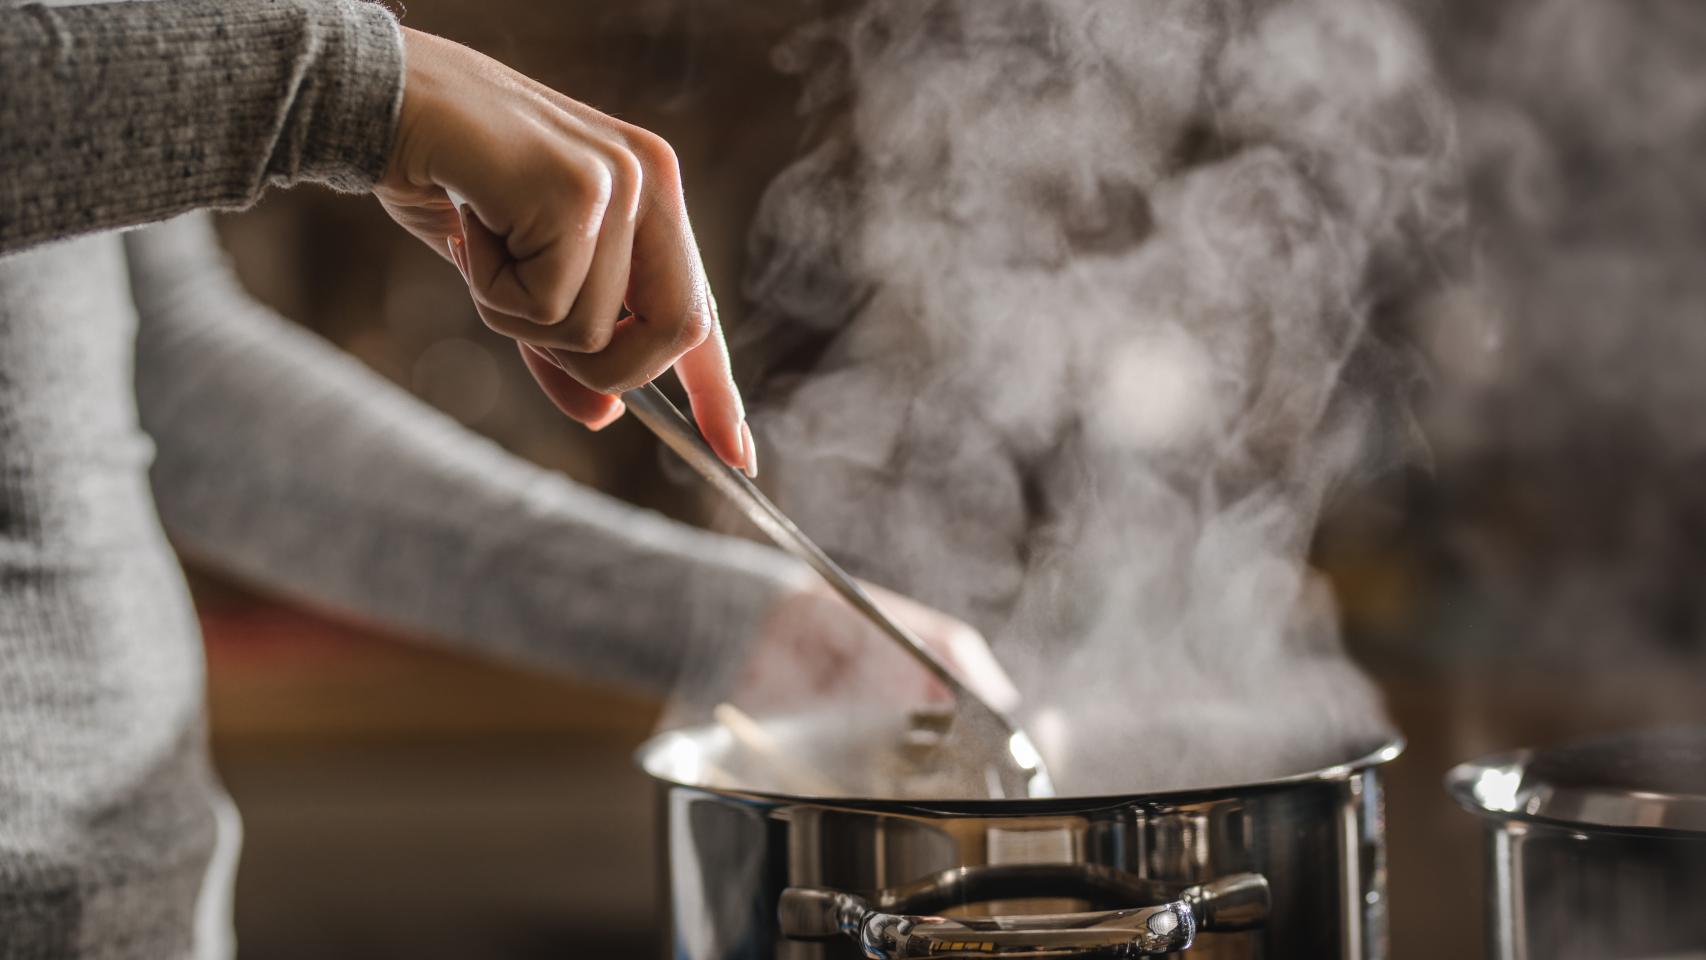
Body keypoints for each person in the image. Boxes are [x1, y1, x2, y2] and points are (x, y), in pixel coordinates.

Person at [0, 1, 1018, 956]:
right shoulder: (333, 83)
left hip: (138, 905)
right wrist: (352, 92)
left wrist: (737, 620)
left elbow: (163, 383)